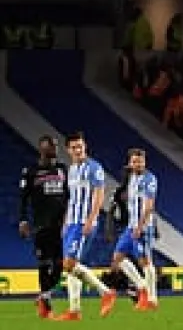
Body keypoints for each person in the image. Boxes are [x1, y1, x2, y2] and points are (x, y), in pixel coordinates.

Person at [58, 132, 118, 320]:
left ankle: (106, 292)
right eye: (74, 147)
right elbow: (72, 199)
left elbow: (100, 196)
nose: (78, 150)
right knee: (72, 266)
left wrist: (91, 220)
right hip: (72, 223)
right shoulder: (72, 170)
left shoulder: (94, 168)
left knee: (69, 264)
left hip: (84, 222)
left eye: (80, 146)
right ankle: (74, 310)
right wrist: (66, 222)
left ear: (85, 147)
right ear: (68, 150)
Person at [19, 135, 68, 319]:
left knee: (60, 263)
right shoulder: (31, 171)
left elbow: (68, 197)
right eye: (51, 146)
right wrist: (23, 220)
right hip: (41, 223)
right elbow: (23, 198)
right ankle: (46, 306)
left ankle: (44, 296)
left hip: (60, 224)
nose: (55, 149)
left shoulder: (62, 169)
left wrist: (68, 219)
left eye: (55, 146)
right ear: (42, 148)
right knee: (44, 263)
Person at [110, 149, 159, 312]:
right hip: (130, 226)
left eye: (141, 161)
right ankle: (142, 285)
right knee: (117, 259)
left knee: (145, 262)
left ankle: (152, 298)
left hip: (143, 227)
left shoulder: (149, 179)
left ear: (145, 162)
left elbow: (149, 205)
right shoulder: (130, 177)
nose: (138, 164)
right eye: (135, 161)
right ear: (130, 163)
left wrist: (140, 226)